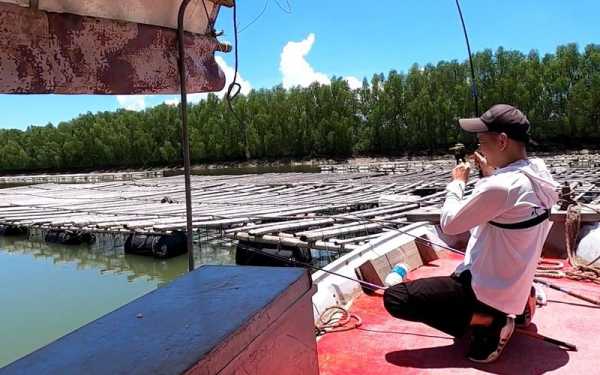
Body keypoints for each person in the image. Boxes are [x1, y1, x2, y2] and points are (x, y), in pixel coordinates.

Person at [383, 104, 560, 363]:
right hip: (514, 282)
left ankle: (492, 320)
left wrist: (457, 182)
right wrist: (489, 172)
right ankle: (519, 304)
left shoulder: (501, 186)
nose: (478, 147)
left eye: (481, 140)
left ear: (501, 141)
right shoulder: (539, 172)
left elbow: (450, 224)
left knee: (396, 298)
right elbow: (509, 196)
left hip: (487, 288)